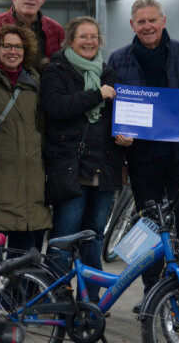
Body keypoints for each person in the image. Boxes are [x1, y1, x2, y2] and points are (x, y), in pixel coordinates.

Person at [106, 0, 179, 306]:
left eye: (152, 20)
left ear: (164, 21)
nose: (147, 26)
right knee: (149, 229)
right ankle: (153, 292)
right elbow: (111, 109)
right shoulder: (118, 59)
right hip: (143, 160)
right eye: (141, 21)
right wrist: (119, 136)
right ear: (132, 25)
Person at [42, 16, 125, 302]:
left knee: (94, 238)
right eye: (83, 37)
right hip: (71, 167)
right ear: (70, 41)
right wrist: (95, 95)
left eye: (94, 37)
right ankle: (56, 298)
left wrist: (124, 134)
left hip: (103, 167)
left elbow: (116, 116)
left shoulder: (108, 72)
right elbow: (55, 108)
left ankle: (90, 302)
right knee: (64, 237)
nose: (90, 42)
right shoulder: (56, 70)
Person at [0, 24, 51, 253]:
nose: (13, 51)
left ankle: (20, 291)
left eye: (18, 47)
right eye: (6, 46)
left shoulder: (34, 84)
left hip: (32, 187)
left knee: (23, 265)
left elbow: (43, 130)